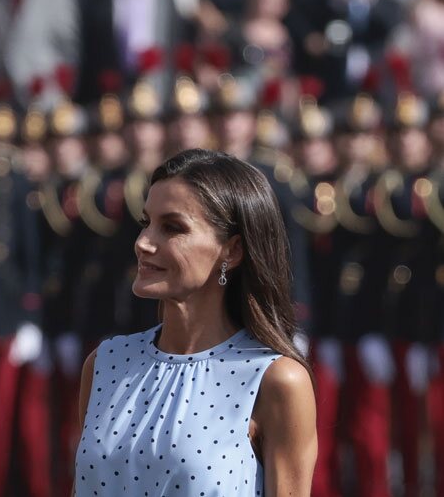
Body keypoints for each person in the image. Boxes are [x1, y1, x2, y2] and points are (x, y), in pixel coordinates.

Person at [75, 149, 317, 496]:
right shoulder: (105, 363)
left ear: (231, 251)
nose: (143, 242)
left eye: (172, 228)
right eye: (146, 223)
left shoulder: (275, 379)